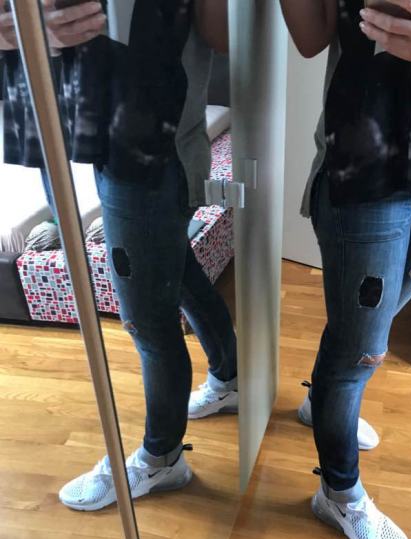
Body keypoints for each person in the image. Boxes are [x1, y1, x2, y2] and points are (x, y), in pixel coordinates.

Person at [1, 0, 239, 511]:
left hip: (150, 144)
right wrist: (17, 28)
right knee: (177, 270)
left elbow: (224, 36)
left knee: (147, 321)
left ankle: (162, 458)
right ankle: (230, 378)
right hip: (58, 109)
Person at [280, 0, 411, 539]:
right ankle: (338, 492)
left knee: (359, 335)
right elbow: (311, 39)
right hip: (363, 164)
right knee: (360, 350)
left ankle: (322, 400)